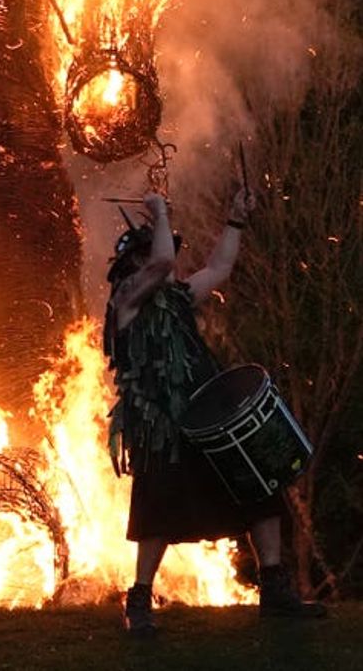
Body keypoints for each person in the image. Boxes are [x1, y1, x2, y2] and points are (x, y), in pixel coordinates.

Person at [104, 188, 326, 636]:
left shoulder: (178, 298)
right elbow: (164, 263)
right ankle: (140, 601)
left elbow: (219, 269)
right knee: (157, 511)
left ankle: (275, 591)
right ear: (136, 265)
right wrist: (161, 211)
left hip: (207, 418)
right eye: (154, 253)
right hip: (161, 427)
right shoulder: (125, 300)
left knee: (261, 489)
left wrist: (236, 221)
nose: (167, 260)